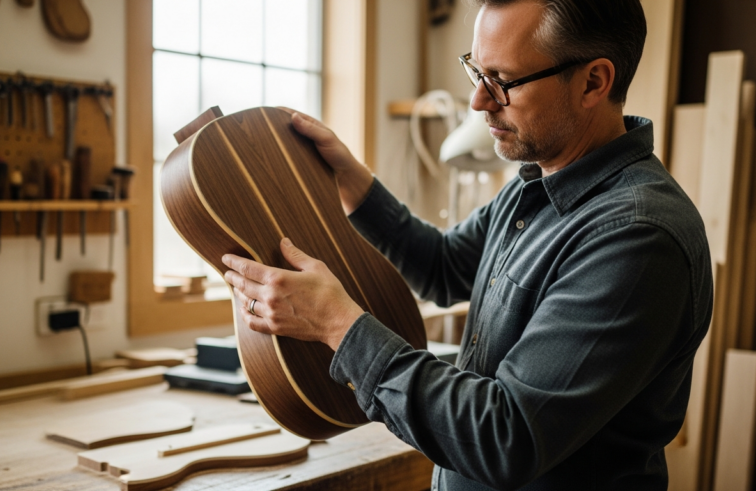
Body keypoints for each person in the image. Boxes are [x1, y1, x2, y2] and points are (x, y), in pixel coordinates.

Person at [221, 0, 714, 489]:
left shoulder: (636, 237)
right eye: (477, 71)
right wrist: (351, 180)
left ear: (593, 82)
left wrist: (337, 324)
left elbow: (506, 437)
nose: (479, 101)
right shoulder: (535, 187)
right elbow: (444, 266)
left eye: (502, 80)